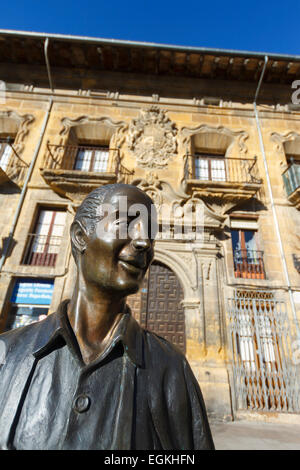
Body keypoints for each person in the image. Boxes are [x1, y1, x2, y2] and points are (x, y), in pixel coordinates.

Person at [0, 183, 214, 450]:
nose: (143, 242)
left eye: (151, 234)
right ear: (80, 236)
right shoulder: (7, 354)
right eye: (126, 223)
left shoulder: (172, 369)